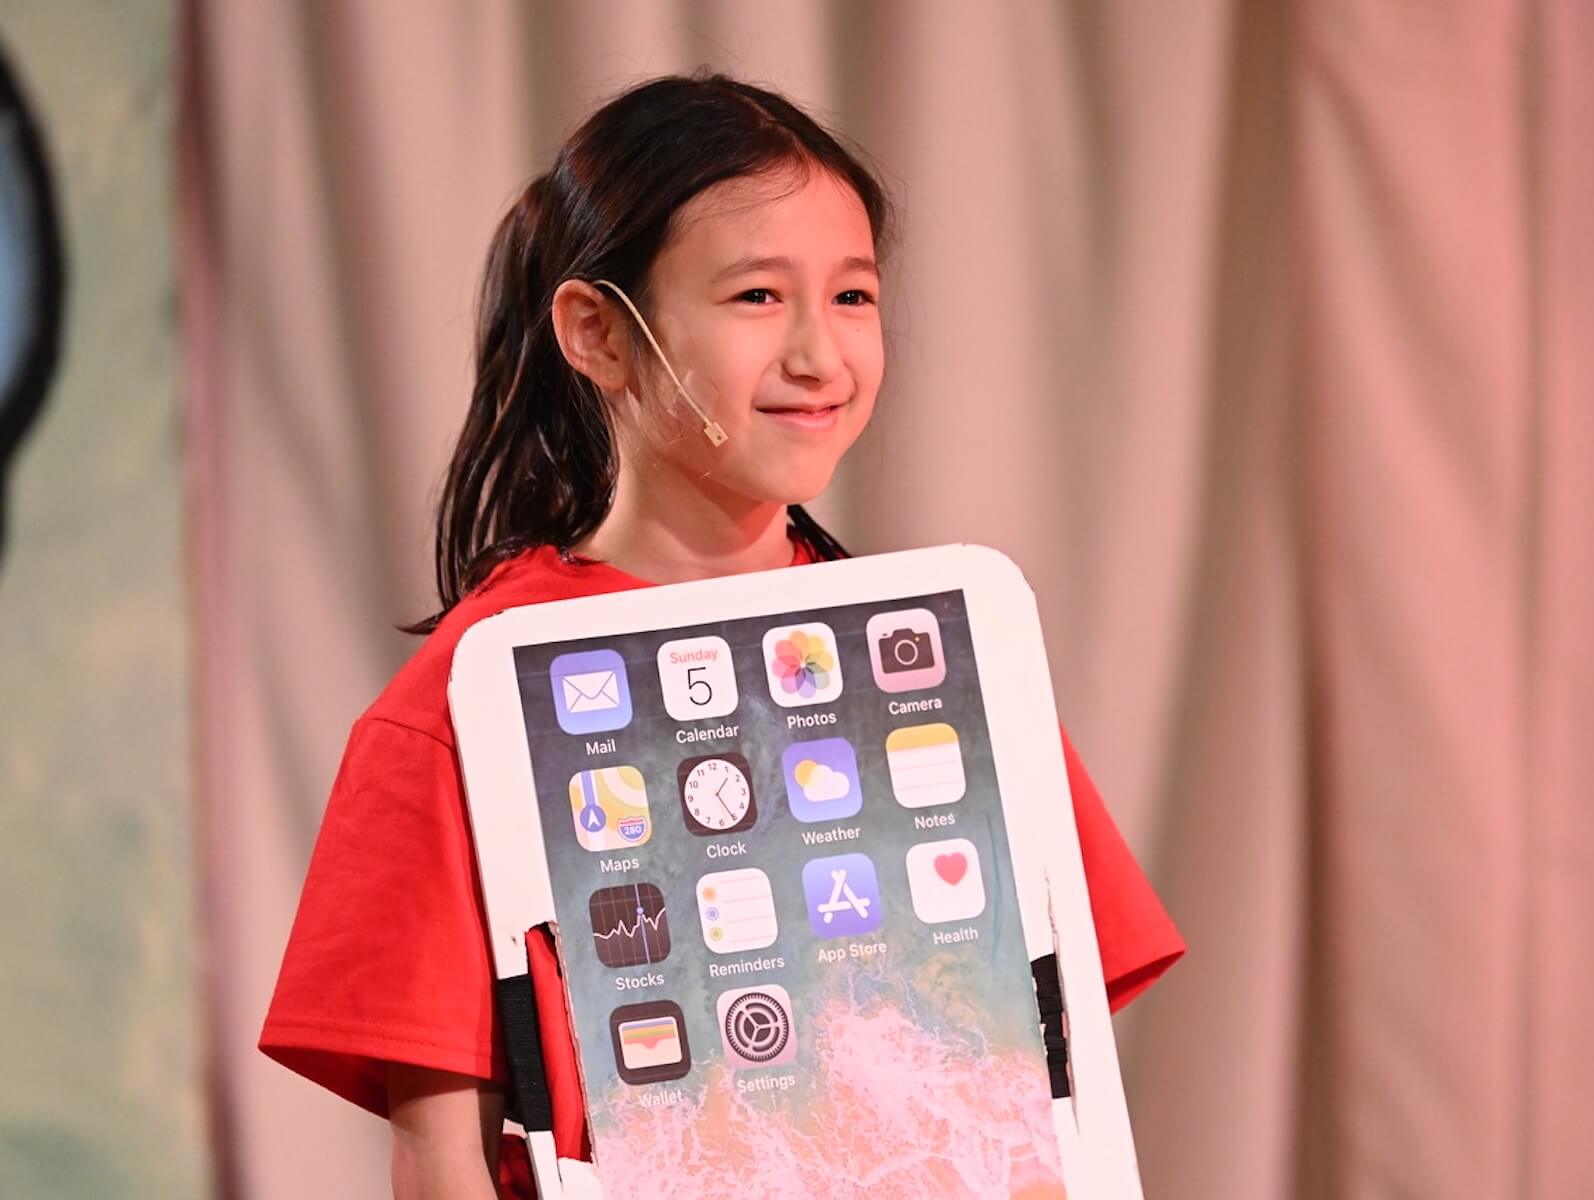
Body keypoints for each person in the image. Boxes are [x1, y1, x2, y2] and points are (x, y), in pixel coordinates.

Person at [260, 72, 1185, 1199]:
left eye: (853, 297)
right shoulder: (473, 699)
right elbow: (439, 1149)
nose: (819, 356)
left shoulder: (930, 656)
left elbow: (1049, 1044)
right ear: (598, 332)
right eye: (756, 298)